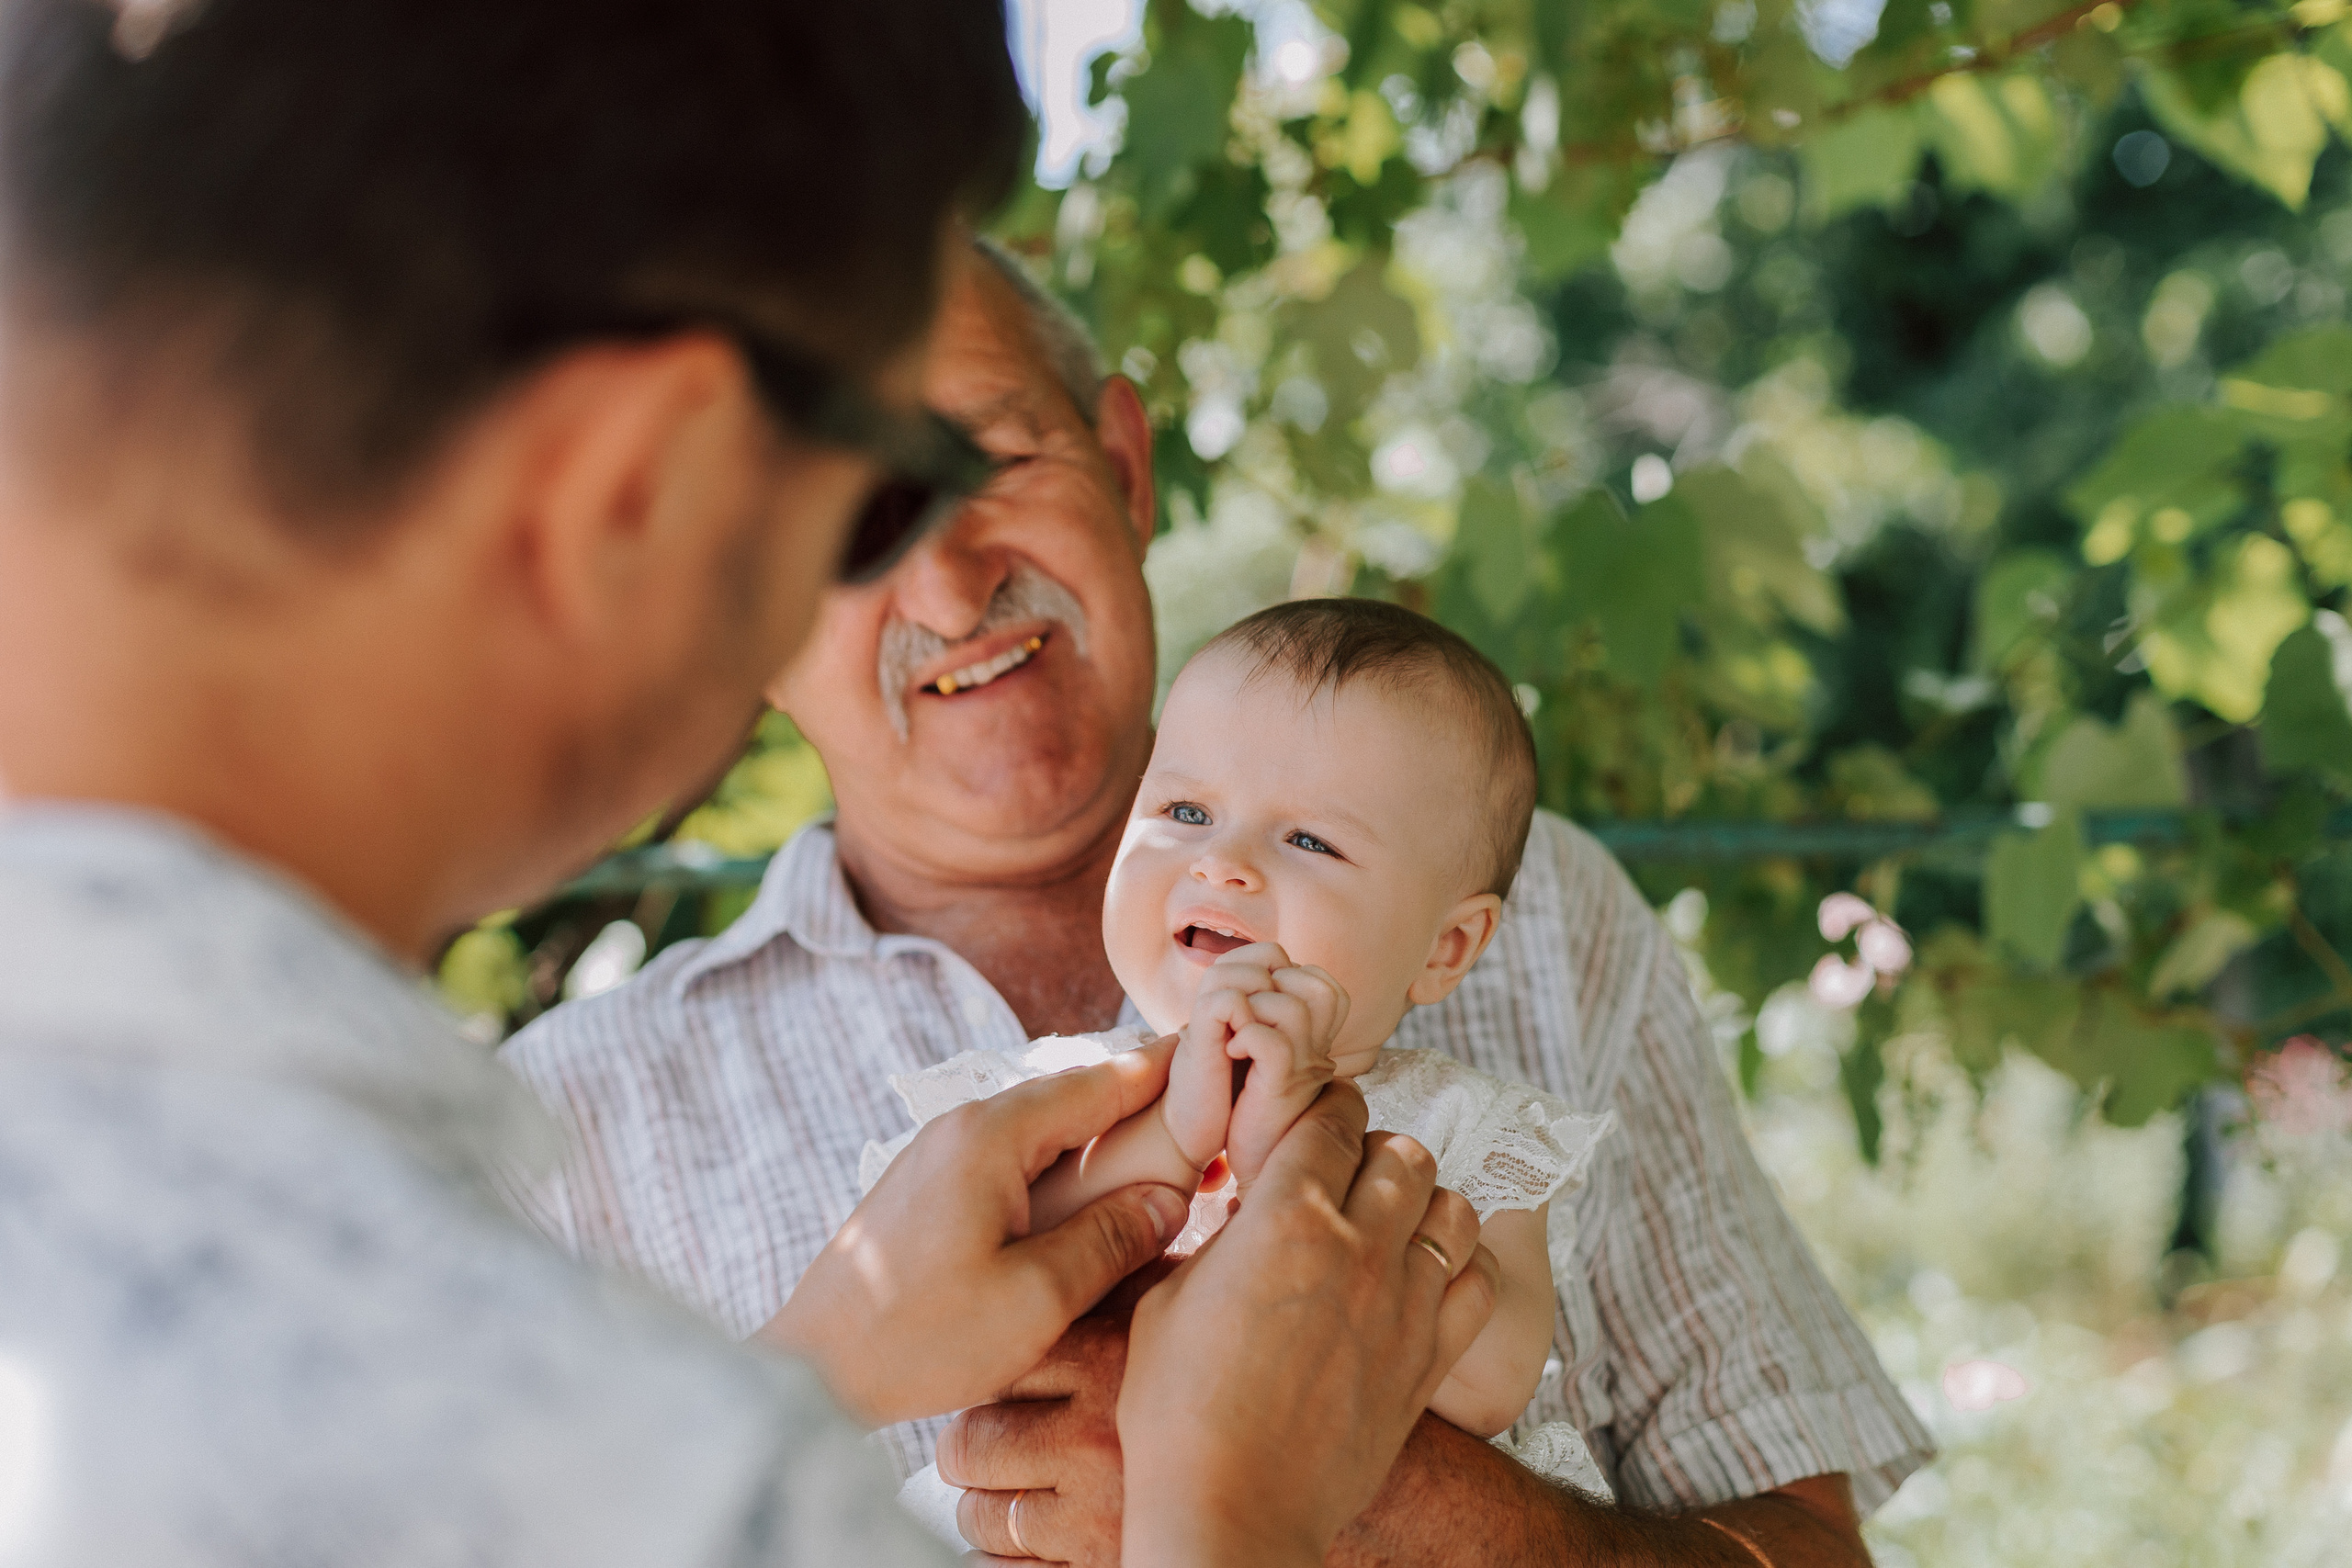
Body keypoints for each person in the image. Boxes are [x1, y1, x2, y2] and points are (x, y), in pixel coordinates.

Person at [0, 4, 1496, 1565]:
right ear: (641, 488)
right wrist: (1234, 1501)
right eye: (866, 509)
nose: (943, 584)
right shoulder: (642, 1460)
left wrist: (815, 1367)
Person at [504, 234, 1936, 1563]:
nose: (945, 584)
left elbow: (1808, 1548)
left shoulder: (1550, 916)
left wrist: (1355, 1495)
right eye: (833, 525)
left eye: (989, 459)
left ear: (1125, 468)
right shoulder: (557, 1135)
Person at [875, 601, 1622, 1542]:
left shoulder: (1463, 1132)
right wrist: (1169, 1135)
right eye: (1186, 812)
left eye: (1308, 840)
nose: (1222, 862)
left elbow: (1489, 1386)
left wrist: (1296, 1175)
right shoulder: (1049, 1099)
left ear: (1446, 947)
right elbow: (968, 1291)